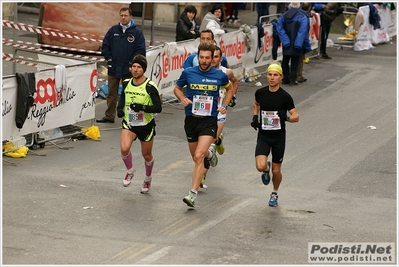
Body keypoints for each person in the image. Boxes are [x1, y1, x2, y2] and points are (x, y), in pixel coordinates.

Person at [173, 42, 234, 208]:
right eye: (202, 57)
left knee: (198, 155)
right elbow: (177, 88)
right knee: (197, 157)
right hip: (191, 119)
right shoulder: (189, 73)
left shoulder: (219, 75)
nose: (205, 61)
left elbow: (230, 88)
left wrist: (225, 105)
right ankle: (210, 155)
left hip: (209, 120)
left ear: (213, 58)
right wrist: (182, 98)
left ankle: (192, 194)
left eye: (208, 58)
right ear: (197, 57)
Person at [250, 63, 299, 207]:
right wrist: (254, 117)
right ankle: (266, 169)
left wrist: (287, 118)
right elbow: (256, 104)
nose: (272, 78)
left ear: (281, 77)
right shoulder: (261, 93)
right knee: (260, 166)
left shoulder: (285, 97)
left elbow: (296, 116)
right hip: (264, 136)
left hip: (278, 138)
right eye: (270, 75)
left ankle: (275, 193)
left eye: (275, 75)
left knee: (277, 170)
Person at [116, 55, 162, 193]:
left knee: (146, 155)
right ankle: (130, 171)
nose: (135, 70)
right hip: (129, 123)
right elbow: (123, 97)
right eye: (134, 67)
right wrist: (120, 108)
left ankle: (147, 179)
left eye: (139, 67)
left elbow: (158, 107)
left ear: (144, 70)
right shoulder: (126, 83)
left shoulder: (150, 86)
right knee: (124, 149)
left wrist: (142, 108)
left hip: (145, 125)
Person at [97, 7, 146, 123]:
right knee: (111, 94)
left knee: (129, 94)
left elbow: (140, 51)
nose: (123, 18)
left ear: (130, 17)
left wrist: (132, 64)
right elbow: (105, 45)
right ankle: (109, 116)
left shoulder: (137, 33)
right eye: (122, 15)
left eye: (126, 15)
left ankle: (128, 117)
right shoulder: (113, 30)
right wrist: (109, 58)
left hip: (128, 69)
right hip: (114, 67)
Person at [199, 46, 239, 189]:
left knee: (208, 145)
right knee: (205, 144)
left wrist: (232, 97)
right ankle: (218, 141)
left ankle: (202, 175)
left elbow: (235, 82)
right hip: (204, 112)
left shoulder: (226, 73)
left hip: (219, 112)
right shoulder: (202, 72)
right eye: (212, 56)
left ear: (220, 59)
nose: (214, 59)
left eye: (216, 57)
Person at [276, 2, 311, 86]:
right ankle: (293, 79)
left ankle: (285, 78)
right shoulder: (302, 16)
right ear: (299, 6)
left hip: (286, 43)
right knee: (295, 61)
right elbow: (303, 32)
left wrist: (286, 41)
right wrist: (298, 44)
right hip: (297, 43)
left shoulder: (283, 16)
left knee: (285, 60)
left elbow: (279, 29)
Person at [297, 2, 313, 83]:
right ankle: (298, 75)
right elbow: (305, 32)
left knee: (299, 58)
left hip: (296, 39)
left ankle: (298, 75)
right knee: (300, 58)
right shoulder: (304, 17)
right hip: (301, 41)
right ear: (309, 8)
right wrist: (308, 46)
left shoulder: (298, 14)